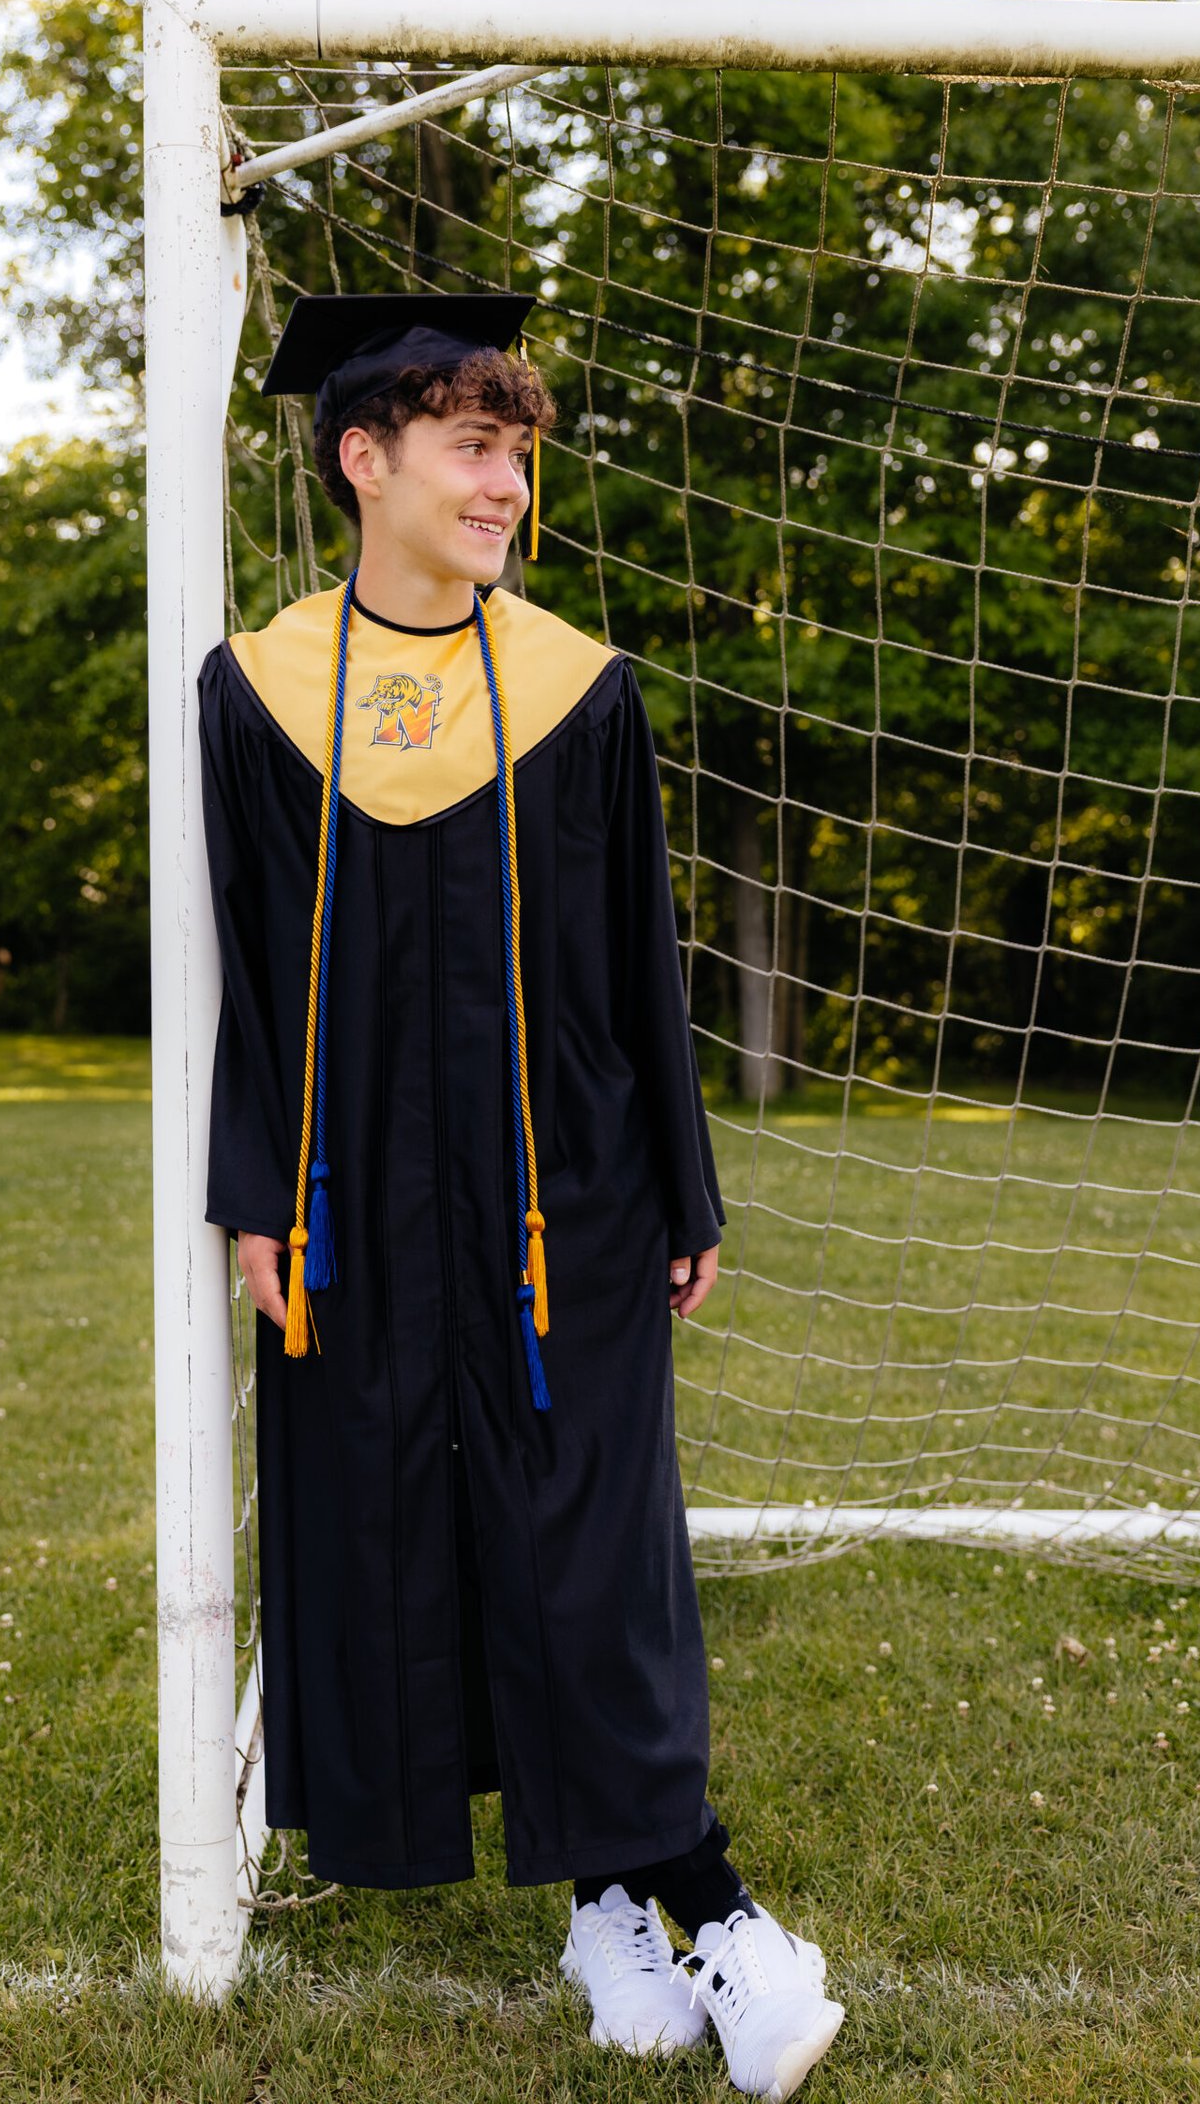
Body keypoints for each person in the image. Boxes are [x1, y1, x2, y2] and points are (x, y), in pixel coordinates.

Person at [197, 290, 844, 2098]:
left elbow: (640, 962)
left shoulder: (579, 687)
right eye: (476, 447)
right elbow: (244, 967)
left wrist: (681, 1183)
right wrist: (257, 1186)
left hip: (569, 1190)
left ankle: (692, 1894)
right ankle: (610, 1902)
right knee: (405, 1525)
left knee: (587, 1538)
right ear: (366, 456)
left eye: (518, 453)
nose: (506, 484)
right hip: (349, 1196)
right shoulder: (254, 696)